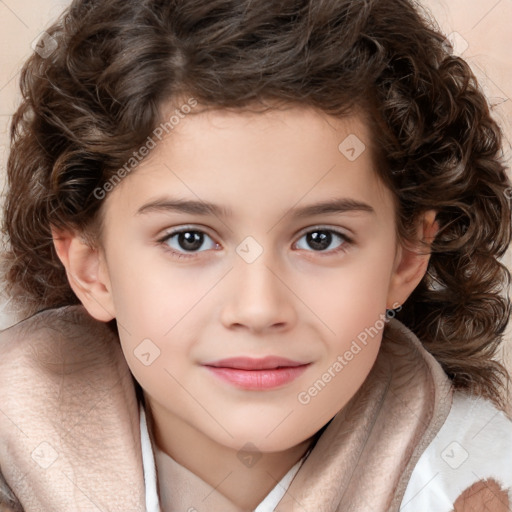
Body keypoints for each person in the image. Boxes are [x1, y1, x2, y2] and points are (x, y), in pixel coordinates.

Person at [0, 0, 511, 510]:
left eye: (320, 239)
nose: (258, 309)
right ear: (92, 268)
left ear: (406, 257)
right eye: (190, 240)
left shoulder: (474, 482)